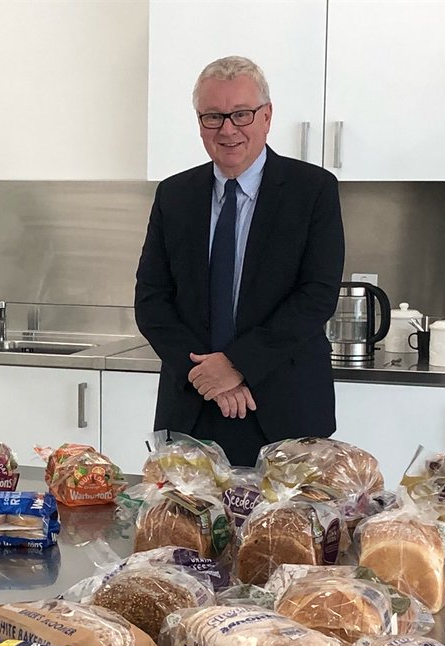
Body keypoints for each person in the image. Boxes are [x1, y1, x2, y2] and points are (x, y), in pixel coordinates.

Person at [135, 56, 345, 467]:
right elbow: (151, 300)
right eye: (213, 116)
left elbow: (316, 297)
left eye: (242, 114)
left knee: (288, 531)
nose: (228, 129)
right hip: (191, 410)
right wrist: (208, 378)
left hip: (286, 409)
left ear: (267, 117)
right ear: (199, 122)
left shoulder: (313, 190)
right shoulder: (174, 195)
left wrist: (235, 365)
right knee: (180, 531)